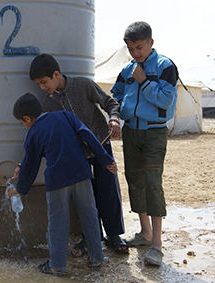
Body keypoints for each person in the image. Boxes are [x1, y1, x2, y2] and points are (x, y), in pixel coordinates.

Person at [7, 93, 118, 276]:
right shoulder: (65, 115)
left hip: (57, 180)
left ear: (27, 118)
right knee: (90, 215)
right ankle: (97, 258)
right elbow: (88, 135)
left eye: (22, 122)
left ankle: (56, 265)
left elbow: (31, 164)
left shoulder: (33, 133)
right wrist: (106, 159)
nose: (23, 125)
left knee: (58, 222)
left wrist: (20, 188)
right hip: (82, 173)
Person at [28, 53, 128, 256]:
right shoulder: (47, 104)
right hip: (77, 157)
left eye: (44, 82)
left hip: (102, 146)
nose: (42, 87)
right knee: (85, 199)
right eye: (38, 84)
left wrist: (114, 119)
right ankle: (90, 238)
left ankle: (114, 235)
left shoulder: (83, 85)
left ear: (56, 74)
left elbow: (110, 103)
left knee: (108, 191)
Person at [111, 21, 179, 266]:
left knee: (152, 183)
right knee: (135, 180)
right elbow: (115, 94)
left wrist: (144, 82)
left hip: (154, 134)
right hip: (131, 133)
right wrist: (115, 116)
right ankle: (144, 232)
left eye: (139, 47)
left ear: (151, 42)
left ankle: (157, 245)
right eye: (131, 49)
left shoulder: (165, 66)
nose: (135, 53)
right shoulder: (128, 69)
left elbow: (165, 101)